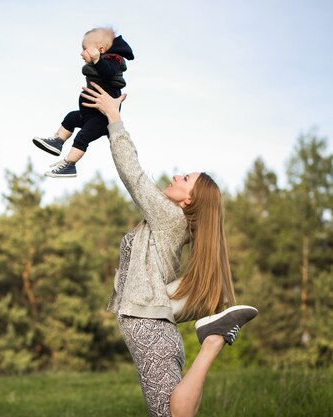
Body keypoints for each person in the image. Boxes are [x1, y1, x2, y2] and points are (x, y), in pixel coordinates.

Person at [81, 82, 258, 417]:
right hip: (152, 327)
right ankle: (213, 336)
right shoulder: (173, 224)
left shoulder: (169, 217)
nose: (176, 176)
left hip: (149, 327)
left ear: (189, 200)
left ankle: (214, 339)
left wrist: (115, 119)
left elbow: (133, 174)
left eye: (185, 178)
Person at [32, 27, 134, 178]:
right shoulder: (99, 63)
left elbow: (108, 73)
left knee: (82, 137)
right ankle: (58, 141)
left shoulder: (113, 60)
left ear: (99, 50)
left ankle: (69, 165)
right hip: (89, 114)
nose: (81, 53)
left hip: (102, 119)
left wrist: (98, 60)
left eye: (85, 49)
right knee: (71, 117)